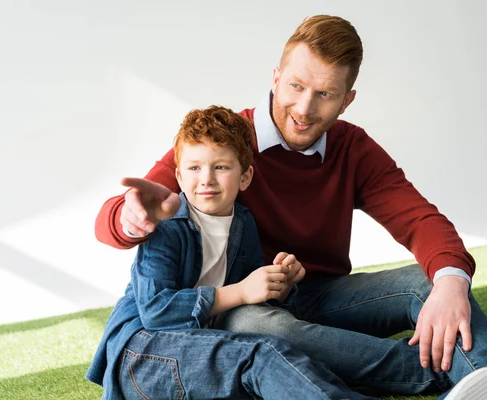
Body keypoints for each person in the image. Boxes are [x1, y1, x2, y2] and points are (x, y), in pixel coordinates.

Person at [94, 15, 487, 399]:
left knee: (433, 280)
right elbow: (133, 208)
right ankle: (438, 371)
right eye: (296, 86)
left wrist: (452, 283)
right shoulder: (224, 145)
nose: (305, 109)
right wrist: (129, 218)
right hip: (247, 309)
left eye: (325, 94)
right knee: (257, 326)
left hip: (319, 296)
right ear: (276, 78)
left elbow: (419, 219)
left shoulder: (353, 148)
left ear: (346, 100)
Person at [86, 105, 377, 399]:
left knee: (273, 354)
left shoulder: (243, 223)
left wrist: (281, 287)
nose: (207, 179)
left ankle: (417, 370)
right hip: (144, 351)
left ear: (245, 177)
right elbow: (157, 313)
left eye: (221, 167)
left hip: (202, 345)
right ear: (180, 176)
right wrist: (240, 292)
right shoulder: (166, 229)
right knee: (260, 355)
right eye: (194, 168)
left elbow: (254, 304)